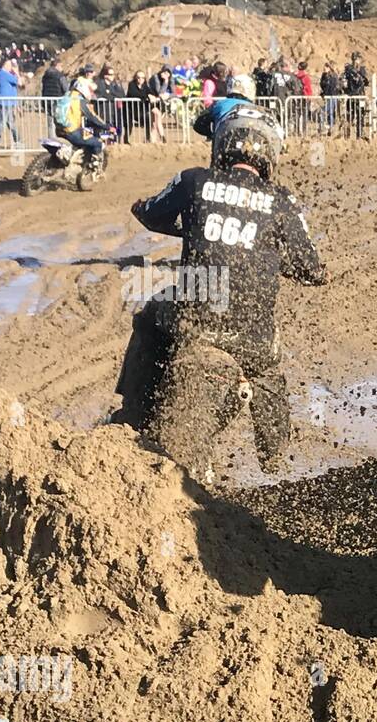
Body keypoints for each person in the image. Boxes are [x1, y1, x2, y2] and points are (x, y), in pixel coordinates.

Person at [115, 105, 325, 479]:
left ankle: (132, 414)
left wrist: (190, 226)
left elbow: (151, 214)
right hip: (251, 334)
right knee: (268, 362)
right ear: (269, 153)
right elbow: (313, 270)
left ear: (223, 142)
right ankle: (273, 450)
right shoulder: (284, 201)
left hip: (197, 321)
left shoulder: (194, 180)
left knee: (149, 315)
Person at [54, 75, 114, 166]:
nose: (91, 92)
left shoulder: (67, 95)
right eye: (90, 90)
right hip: (72, 131)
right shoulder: (80, 101)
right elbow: (93, 117)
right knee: (97, 143)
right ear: (84, 88)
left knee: (83, 139)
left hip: (60, 130)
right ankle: (95, 169)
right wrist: (107, 126)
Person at [191, 73, 258, 139]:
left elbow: (198, 124)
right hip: (250, 143)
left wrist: (213, 134)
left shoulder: (219, 104)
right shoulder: (254, 108)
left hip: (223, 142)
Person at [0, 57, 19, 148]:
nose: (11, 67)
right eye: (10, 65)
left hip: (3, 101)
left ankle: (17, 139)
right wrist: (16, 72)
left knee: (9, 122)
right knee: (3, 121)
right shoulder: (5, 74)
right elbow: (17, 81)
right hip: (6, 102)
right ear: (6, 65)